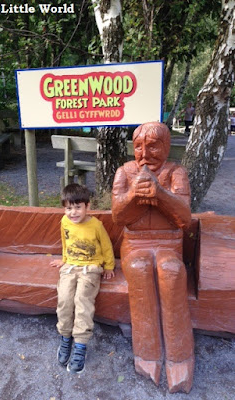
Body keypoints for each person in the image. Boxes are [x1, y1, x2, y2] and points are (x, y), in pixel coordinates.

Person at [112, 122, 194, 393]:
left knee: (171, 271)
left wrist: (160, 194)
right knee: (139, 267)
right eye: (138, 146)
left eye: (152, 145)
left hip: (169, 243)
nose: (144, 153)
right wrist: (134, 195)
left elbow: (183, 218)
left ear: (166, 147)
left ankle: (180, 357)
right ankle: (147, 352)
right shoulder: (124, 172)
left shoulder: (176, 172)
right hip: (135, 244)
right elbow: (118, 218)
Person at [50, 183, 115, 374]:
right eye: (69, 208)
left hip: (91, 268)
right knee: (64, 299)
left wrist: (109, 266)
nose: (73, 212)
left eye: (78, 207)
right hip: (70, 267)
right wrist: (63, 260)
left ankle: (80, 345)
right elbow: (65, 240)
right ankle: (65, 338)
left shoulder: (96, 225)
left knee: (82, 300)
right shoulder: (64, 221)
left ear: (87, 206)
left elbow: (106, 247)